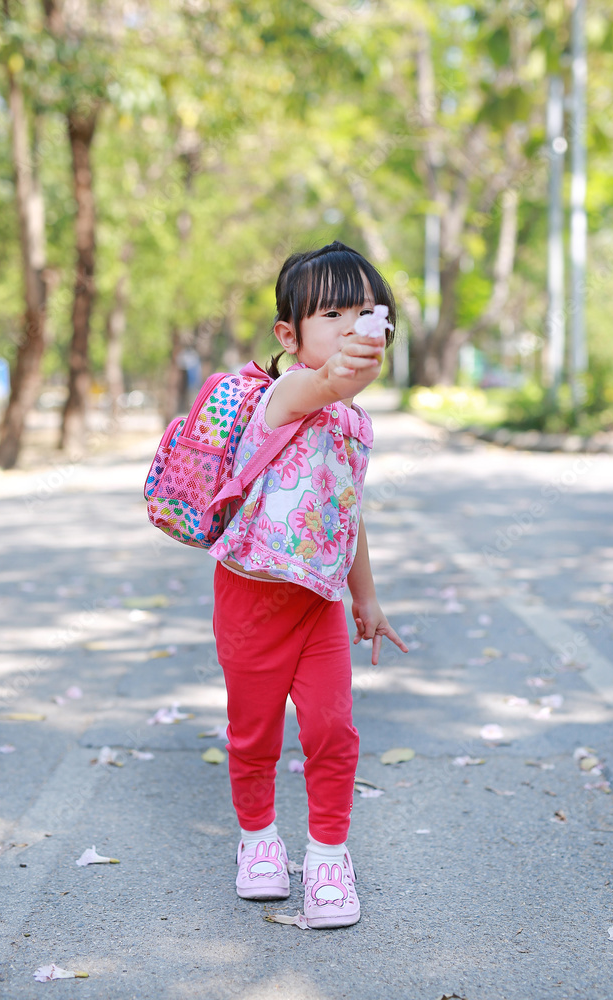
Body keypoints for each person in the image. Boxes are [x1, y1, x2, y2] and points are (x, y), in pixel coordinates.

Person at [209, 240, 408, 929]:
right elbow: (325, 382)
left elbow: (345, 510)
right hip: (250, 598)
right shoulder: (287, 394)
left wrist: (366, 598)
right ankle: (258, 839)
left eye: (365, 312)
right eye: (332, 315)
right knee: (254, 733)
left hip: (318, 600)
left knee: (332, 728)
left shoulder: (355, 423)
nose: (352, 326)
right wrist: (346, 365)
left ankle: (327, 854)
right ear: (289, 335)